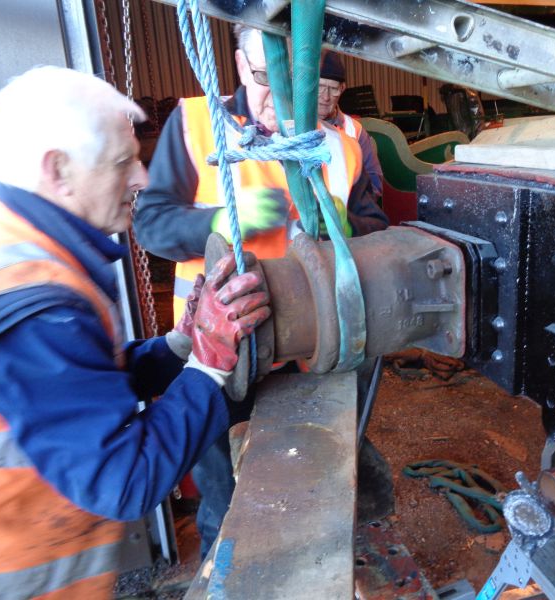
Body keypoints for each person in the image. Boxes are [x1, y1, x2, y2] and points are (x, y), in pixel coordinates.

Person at [0, 66, 271, 599]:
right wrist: (208, 367)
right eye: (123, 162)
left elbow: (85, 381)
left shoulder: (15, 242)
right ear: (59, 171)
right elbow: (126, 482)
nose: (141, 178)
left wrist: (179, 345)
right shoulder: (36, 306)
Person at [134, 26, 389, 558]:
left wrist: (343, 230)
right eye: (263, 76)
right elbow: (152, 223)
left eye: (299, 81)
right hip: (220, 352)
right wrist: (223, 221)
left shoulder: (347, 143)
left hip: (318, 353)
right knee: (225, 507)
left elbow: (375, 229)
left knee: (315, 484)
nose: (284, 97)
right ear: (237, 63)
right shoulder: (199, 124)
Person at [318, 52, 384, 198]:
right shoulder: (290, 127)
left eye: (333, 88)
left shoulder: (355, 131)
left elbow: (375, 185)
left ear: (342, 89)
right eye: (320, 86)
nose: (326, 97)